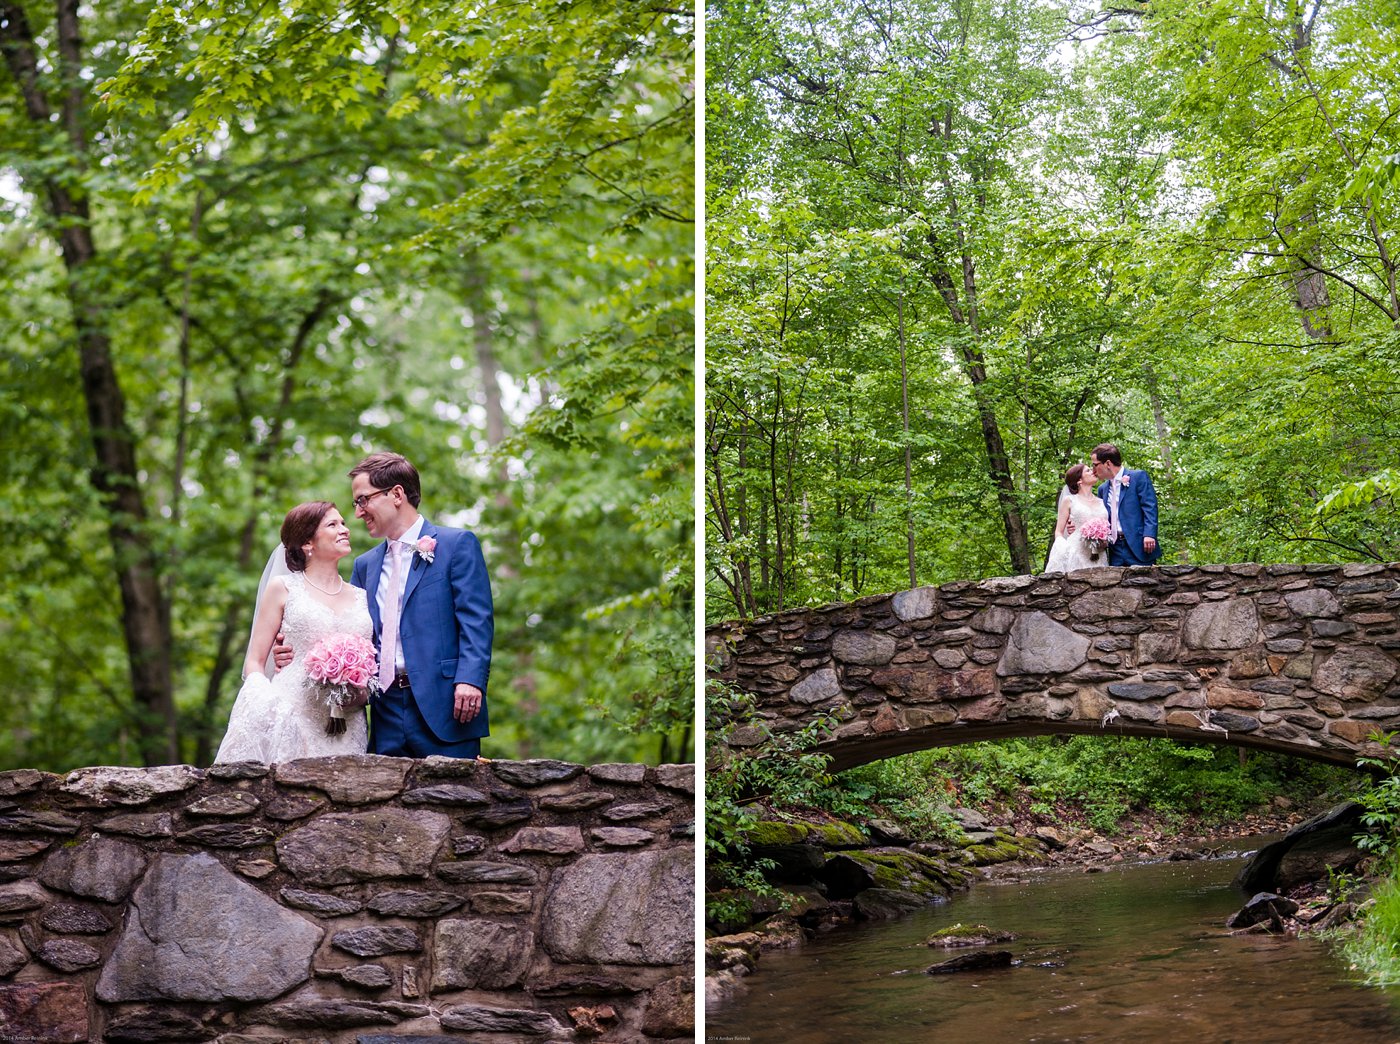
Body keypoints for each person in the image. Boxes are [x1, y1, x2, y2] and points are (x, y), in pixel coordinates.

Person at [348, 452, 494, 758]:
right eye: (356, 503)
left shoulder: (457, 545)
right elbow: (351, 629)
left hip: (448, 705)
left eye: (363, 500)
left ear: (397, 494)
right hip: (384, 710)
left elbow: (476, 621)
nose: (359, 512)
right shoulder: (365, 566)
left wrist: (470, 680)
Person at [215, 501, 370, 763]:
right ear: (307, 543)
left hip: (348, 719)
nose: (345, 529)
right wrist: (269, 707)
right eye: (333, 524)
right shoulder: (283, 588)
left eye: (343, 523)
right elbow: (255, 661)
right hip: (293, 713)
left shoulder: (362, 596)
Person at [1088, 443, 1162, 567]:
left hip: (1139, 545)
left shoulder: (1138, 477)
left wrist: (1149, 534)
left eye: (1095, 465)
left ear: (1107, 464)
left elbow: (1150, 507)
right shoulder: (1102, 489)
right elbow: (1100, 517)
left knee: (1145, 584)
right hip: (1114, 548)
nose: (1093, 470)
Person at [1045, 463, 1110, 572]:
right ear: (1079, 480)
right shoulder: (1069, 501)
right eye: (1088, 471)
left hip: (1099, 553)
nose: (1092, 472)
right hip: (1076, 552)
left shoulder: (1102, 501)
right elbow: (1059, 532)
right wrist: (1062, 551)